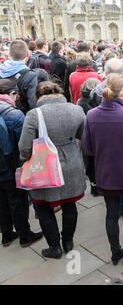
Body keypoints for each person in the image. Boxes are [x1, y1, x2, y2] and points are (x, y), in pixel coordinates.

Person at [82, 74, 123, 267]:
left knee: (111, 214)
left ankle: (115, 252)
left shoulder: (92, 115)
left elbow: (88, 146)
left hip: (106, 173)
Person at [18, 82, 86, 259]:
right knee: (69, 204)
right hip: (71, 162)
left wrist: (26, 159)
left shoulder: (34, 114)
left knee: (43, 208)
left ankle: (54, 247)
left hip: (44, 165)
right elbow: (82, 135)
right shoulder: (76, 109)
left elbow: (24, 147)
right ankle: (68, 241)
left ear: (38, 96)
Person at [0, 81, 43, 248]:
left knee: (2, 200)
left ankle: (6, 234)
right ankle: (24, 235)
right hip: (11, 166)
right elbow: (25, 144)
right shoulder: (15, 115)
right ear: (11, 94)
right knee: (18, 200)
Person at [0, 40, 38, 114]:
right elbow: (33, 104)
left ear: (9, 54)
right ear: (27, 55)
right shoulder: (30, 75)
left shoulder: (1, 69)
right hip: (22, 116)